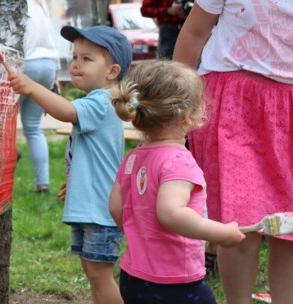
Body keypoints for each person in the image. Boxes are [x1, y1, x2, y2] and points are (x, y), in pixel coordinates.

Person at [173, 1, 293, 303]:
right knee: (240, 225)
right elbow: (195, 31)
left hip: (289, 108)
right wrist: (174, 103)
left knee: (291, 229)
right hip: (233, 105)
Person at [10, 25, 132, 303]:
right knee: (92, 271)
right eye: (75, 57)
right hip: (91, 205)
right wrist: (77, 182)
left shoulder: (103, 101)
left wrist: (33, 88)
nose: (76, 64)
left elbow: (66, 112)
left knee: (100, 274)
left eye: (87, 59)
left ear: (112, 72)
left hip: (100, 210)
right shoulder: (98, 100)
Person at [108, 60, 246, 304]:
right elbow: (171, 213)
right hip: (174, 281)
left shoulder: (133, 158)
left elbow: (116, 208)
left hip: (132, 276)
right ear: (185, 116)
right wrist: (222, 233)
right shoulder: (178, 161)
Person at [19, 0, 59, 193]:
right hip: (48, 64)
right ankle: (42, 184)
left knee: (1, 127)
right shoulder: (41, 4)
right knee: (34, 128)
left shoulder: (15, 3)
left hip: (26, 62)